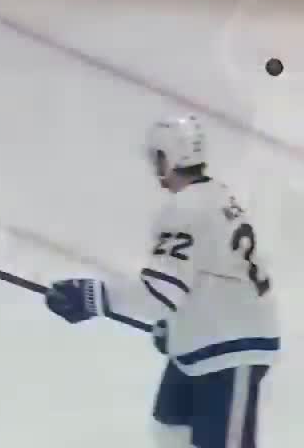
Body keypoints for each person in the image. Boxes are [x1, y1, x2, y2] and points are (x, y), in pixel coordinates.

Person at [44, 115, 280, 448]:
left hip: (234, 347)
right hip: (209, 340)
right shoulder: (215, 194)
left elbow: (161, 292)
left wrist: (94, 297)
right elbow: (210, 275)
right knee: (169, 427)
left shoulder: (185, 209)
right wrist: (179, 325)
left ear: (165, 158)